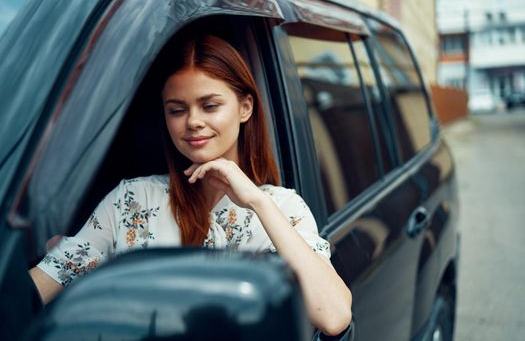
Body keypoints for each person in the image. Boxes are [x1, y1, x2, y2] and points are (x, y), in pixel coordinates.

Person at [29, 35, 352, 336]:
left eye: (210, 106)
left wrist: (257, 201)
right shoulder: (132, 200)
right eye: (177, 110)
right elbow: (46, 281)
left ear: (245, 108)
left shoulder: (281, 207)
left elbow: (333, 317)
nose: (193, 121)